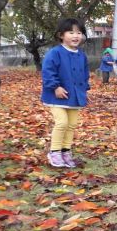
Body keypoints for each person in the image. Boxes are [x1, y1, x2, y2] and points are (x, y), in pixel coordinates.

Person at [41, 18, 90, 168]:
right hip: (56, 96)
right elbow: (48, 71)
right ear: (61, 35)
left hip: (75, 96)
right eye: (71, 32)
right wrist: (55, 87)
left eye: (79, 32)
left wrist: (84, 89)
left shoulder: (81, 55)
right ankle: (54, 152)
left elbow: (85, 73)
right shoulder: (55, 53)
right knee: (62, 122)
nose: (76, 36)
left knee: (72, 124)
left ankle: (65, 152)